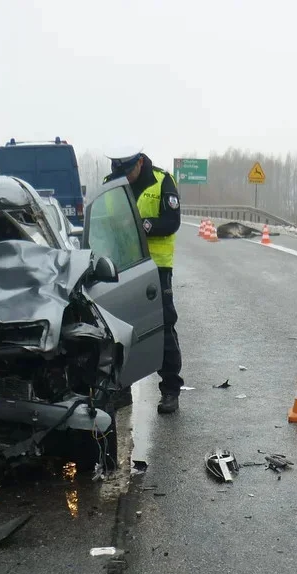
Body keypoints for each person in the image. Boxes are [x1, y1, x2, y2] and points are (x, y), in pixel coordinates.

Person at [104, 149, 184, 414]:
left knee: (162, 327)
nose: (123, 176)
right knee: (116, 329)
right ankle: (119, 389)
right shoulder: (110, 184)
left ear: (139, 162)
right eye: (119, 171)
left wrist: (142, 225)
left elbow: (172, 221)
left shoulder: (162, 181)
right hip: (120, 267)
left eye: (127, 170)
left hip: (155, 268)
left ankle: (170, 390)